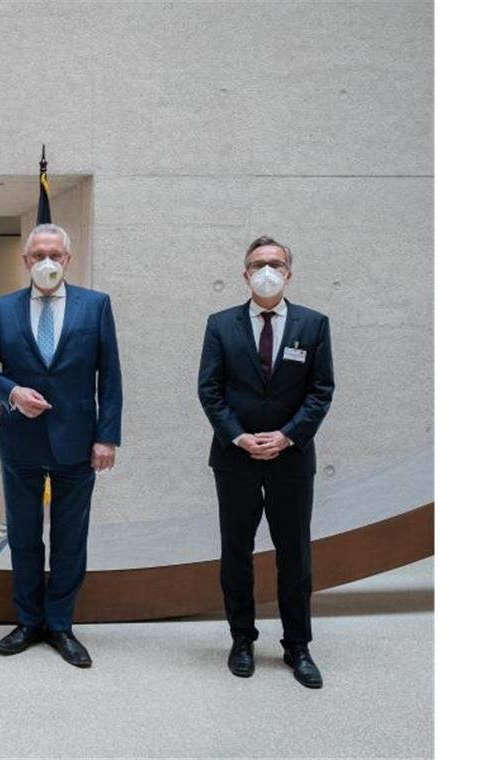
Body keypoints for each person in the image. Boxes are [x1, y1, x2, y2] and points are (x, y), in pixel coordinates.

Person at [0, 223, 122, 668]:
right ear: (26, 261)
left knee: (70, 539)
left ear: (68, 260)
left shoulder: (96, 307)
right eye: (38, 255)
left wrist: (107, 436)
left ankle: (60, 624)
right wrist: (11, 393)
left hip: (78, 443)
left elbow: (110, 376)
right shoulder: (4, 309)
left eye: (55, 254)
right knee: (23, 536)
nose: (47, 262)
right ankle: (28, 621)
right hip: (20, 443)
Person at [197, 236, 334, 689]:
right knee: (236, 552)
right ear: (245, 274)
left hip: (291, 459)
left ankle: (298, 645)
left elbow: (321, 391)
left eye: (275, 263)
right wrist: (238, 437)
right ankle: (241, 639)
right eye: (258, 264)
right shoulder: (221, 325)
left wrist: (287, 436)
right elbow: (210, 390)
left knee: (294, 554)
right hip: (235, 458)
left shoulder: (314, 325)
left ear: (289, 273)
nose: (267, 271)